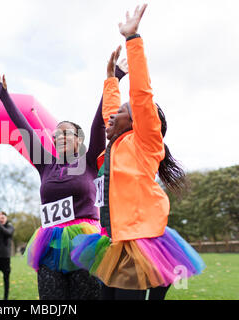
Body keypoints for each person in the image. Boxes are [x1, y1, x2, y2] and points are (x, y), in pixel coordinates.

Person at [71, 4, 206, 300]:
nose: (110, 116)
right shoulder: (115, 145)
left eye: (120, 113)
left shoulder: (144, 141)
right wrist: (111, 80)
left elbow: (142, 95)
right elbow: (111, 111)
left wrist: (133, 39)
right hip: (115, 241)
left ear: (135, 122)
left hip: (142, 241)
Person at [0, 61, 126, 300]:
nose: (59, 137)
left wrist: (114, 78)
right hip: (50, 243)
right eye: (56, 135)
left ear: (79, 139)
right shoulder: (45, 164)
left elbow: (98, 122)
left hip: (85, 240)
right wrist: (5, 97)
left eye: (65, 133)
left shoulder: (89, 159)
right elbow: (24, 129)